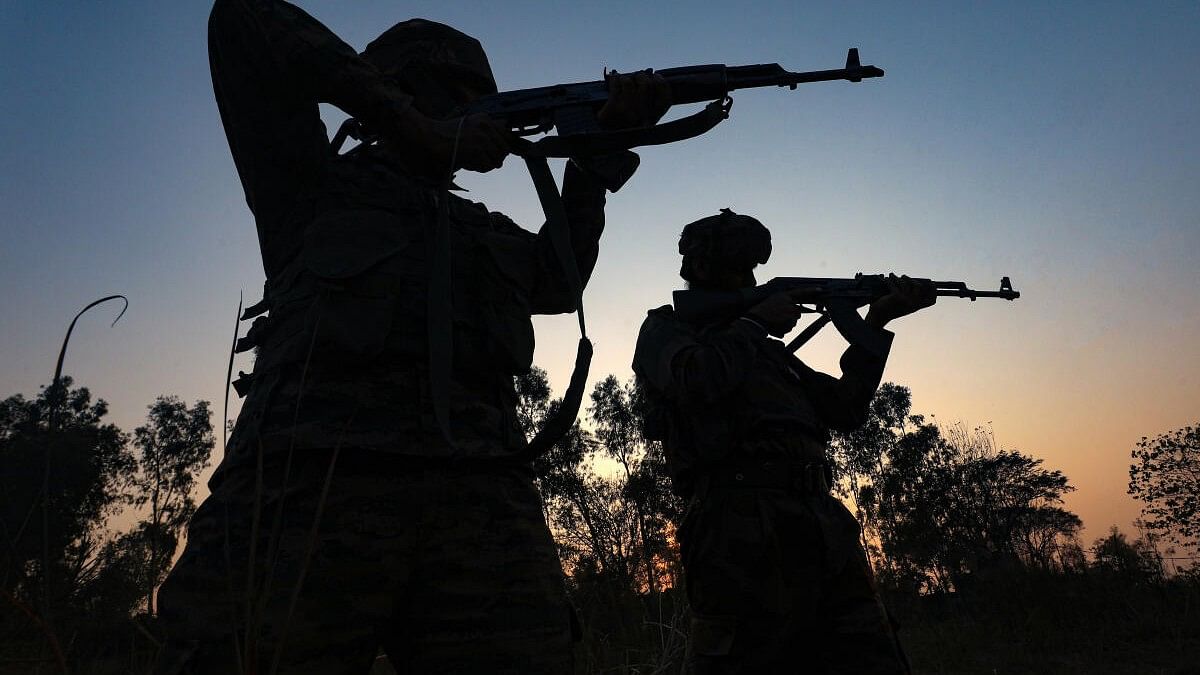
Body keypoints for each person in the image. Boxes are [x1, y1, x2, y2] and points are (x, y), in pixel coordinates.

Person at [155, 1, 668, 673]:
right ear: (398, 91)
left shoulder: (485, 230)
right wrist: (413, 127)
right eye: (457, 96)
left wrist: (592, 157)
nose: (483, 114)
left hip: (484, 505)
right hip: (308, 497)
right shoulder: (309, 187)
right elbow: (244, 19)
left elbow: (557, 283)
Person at [631, 209, 934, 674]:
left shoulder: (771, 355)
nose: (748, 280)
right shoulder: (666, 331)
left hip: (821, 522)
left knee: (870, 654)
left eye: (753, 270)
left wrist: (876, 321)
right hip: (735, 526)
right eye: (737, 268)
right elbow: (696, 379)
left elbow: (845, 410)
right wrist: (753, 324)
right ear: (701, 270)